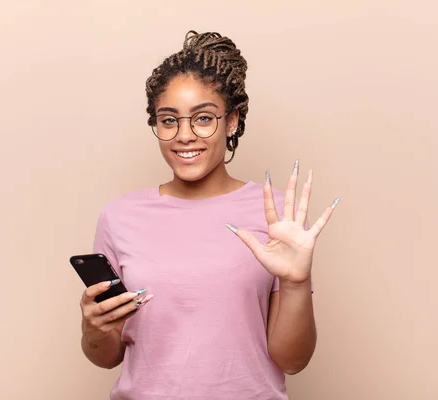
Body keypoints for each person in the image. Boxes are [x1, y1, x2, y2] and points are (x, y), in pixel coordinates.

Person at [78, 30, 339, 399]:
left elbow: (292, 360)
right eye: (169, 120)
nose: (184, 135)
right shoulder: (120, 217)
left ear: (231, 122)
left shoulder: (276, 213)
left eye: (203, 119)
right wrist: (93, 331)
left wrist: (297, 283)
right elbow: (107, 357)